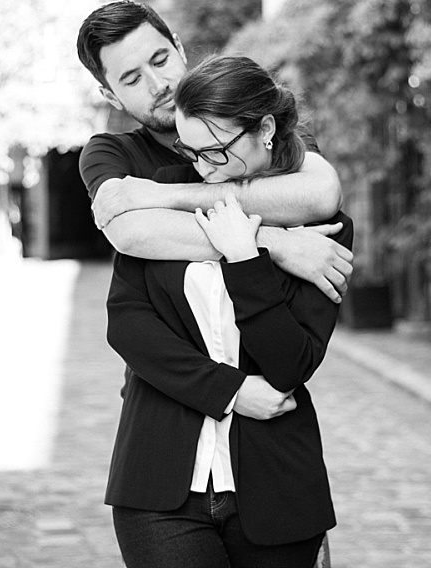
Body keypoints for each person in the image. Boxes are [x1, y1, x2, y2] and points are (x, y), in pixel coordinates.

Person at [104, 54, 352, 566]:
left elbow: (290, 364)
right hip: (157, 486)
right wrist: (231, 391)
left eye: (215, 152)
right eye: (190, 150)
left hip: (277, 486)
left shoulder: (323, 228)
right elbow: (128, 325)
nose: (203, 168)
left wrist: (244, 255)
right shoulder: (169, 191)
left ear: (264, 129)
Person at [76, 0, 352, 305]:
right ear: (111, 96)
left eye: (160, 60)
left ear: (179, 48)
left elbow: (321, 193)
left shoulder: (254, 123)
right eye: (132, 79)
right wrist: (275, 243)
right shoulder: (111, 153)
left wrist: (163, 196)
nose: (158, 85)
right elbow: (129, 231)